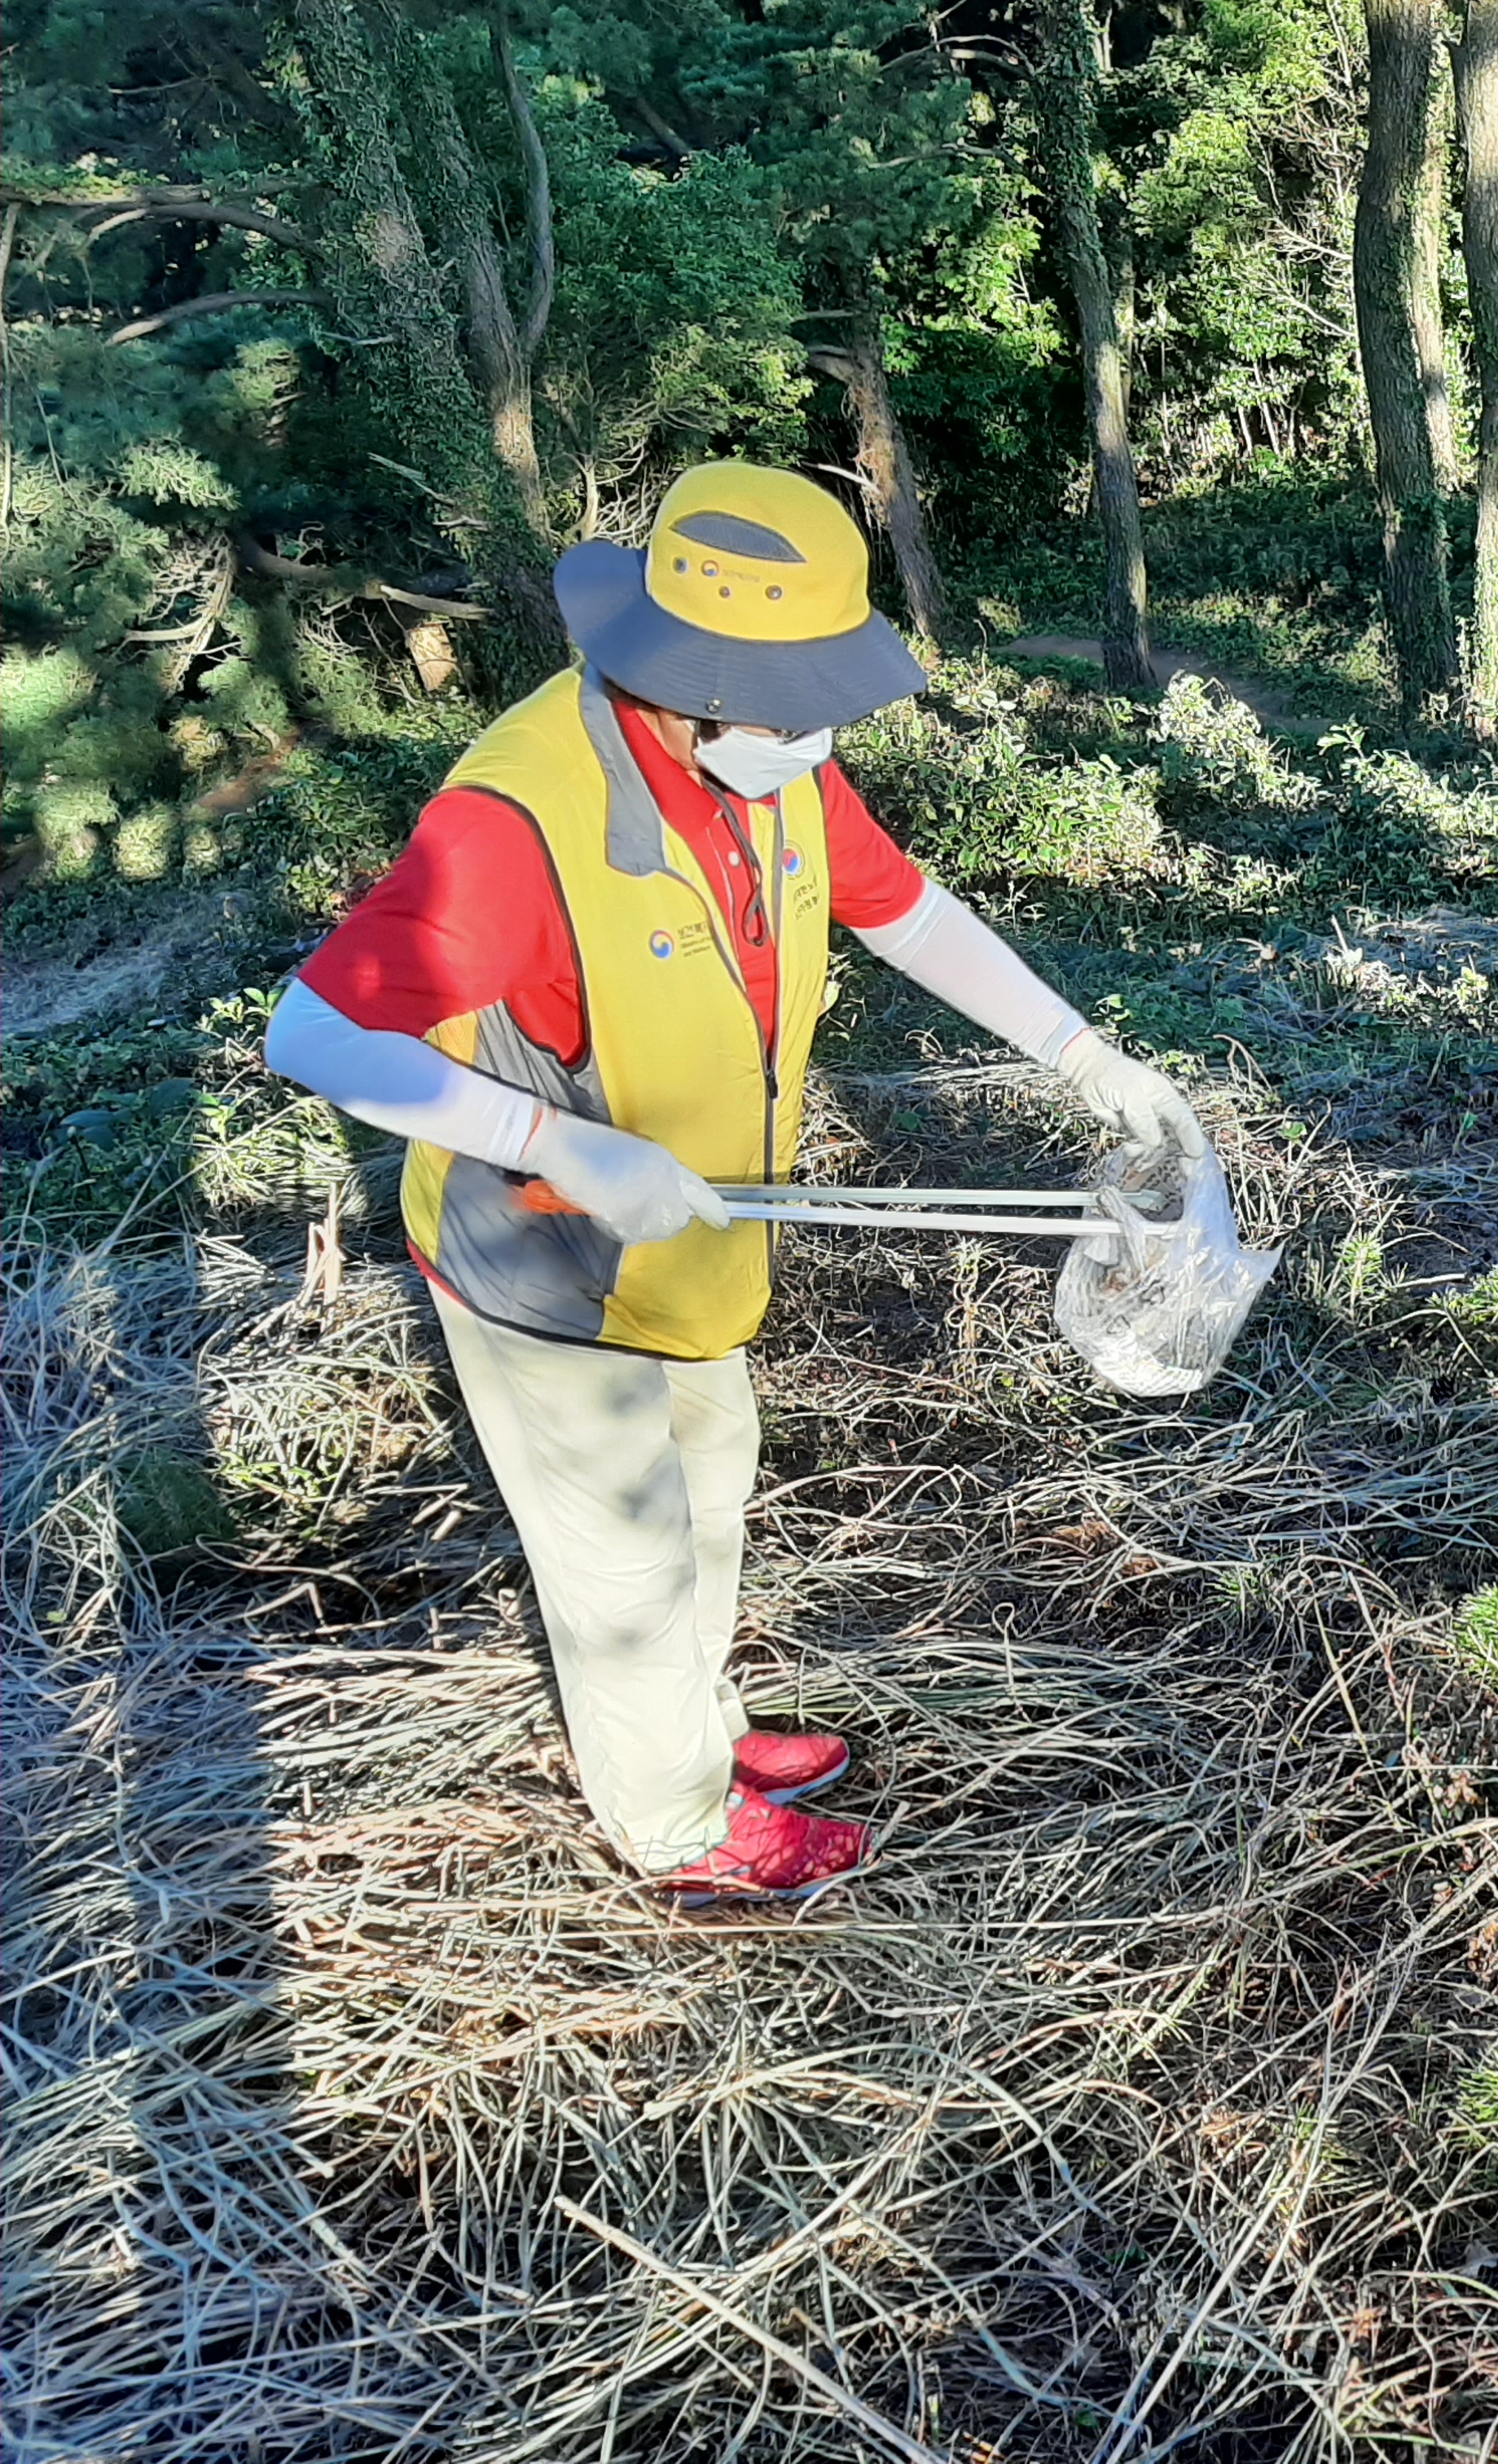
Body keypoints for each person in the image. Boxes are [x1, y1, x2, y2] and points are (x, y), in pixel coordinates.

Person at [266, 462, 1207, 1902]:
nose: (816, 737)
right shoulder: (518, 821)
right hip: (548, 1256)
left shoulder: (767, 754)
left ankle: (696, 1731)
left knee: (708, 1490)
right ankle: (679, 1834)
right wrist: (560, 1143)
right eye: (790, 706)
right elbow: (314, 1030)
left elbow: (903, 909)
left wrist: (1083, 1055)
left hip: (695, 1236)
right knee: (623, 1564)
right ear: (688, 679)